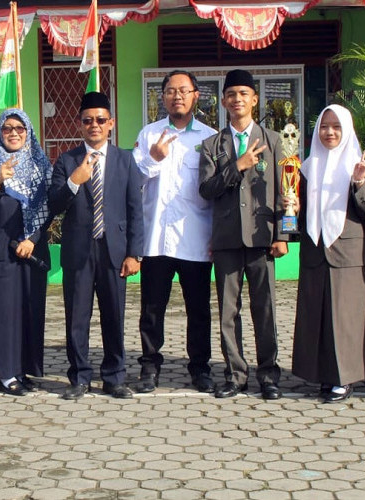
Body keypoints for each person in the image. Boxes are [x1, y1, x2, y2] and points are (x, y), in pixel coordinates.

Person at [199, 69, 289, 400]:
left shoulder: (273, 140)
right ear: (223, 102)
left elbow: (285, 190)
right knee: (228, 312)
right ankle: (235, 375)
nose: (237, 99)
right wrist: (236, 166)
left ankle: (269, 375)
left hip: (263, 237)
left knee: (265, 309)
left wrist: (283, 235)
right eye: (231, 94)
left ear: (254, 99)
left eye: (243, 94)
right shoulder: (211, 145)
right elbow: (206, 189)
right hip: (226, 239)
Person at [48, 91, 144, 400]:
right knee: (77, 318)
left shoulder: (125, 160)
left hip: (114, 251)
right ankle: (79, 377)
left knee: (114, 316)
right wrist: (74, 181)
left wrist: (134, 253)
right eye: (88, 120)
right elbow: (54, 205)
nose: (94, 125)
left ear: (111, 123)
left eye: (101, 120)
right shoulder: (67, 160)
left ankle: (114, 377)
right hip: (79, 251)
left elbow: (135, 209)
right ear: (80, 124)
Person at [132, 70, 217, 394]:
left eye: (183, 90)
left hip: (196, 238)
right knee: (152, 309)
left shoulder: (210, 138)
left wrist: (217, 237)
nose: (176, 96)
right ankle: (149, 367)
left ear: (196, 95)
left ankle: (200, 368)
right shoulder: (149, 134)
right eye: (170, 90)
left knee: (199, 310)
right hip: (156, 239)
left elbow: (217, 192)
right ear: (162, 96)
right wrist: (153, 159)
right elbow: (133, 182)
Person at [288, 105, 365, 403]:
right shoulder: (307, 167)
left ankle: (344, 377)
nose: (330, 132)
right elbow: (302, 216)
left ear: (346, 130)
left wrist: (359, 182)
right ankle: (322, 374)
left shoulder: (358, 166)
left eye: (336, 127)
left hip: (346, 253)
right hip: (314, 251)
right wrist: (294, 209)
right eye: (324, 127)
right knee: (317, 315)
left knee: (344, 317)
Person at [0, 108, 53, 396]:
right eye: (7, 128)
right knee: (1, 314)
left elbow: (50, 206)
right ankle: (4, 375)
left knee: (28, 312)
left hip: (30, 251)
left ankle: (22, 370)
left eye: (20, 128)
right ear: (0, 132)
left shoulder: (40, 163)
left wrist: (32, 238)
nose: (14, 133)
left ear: (28, 131)